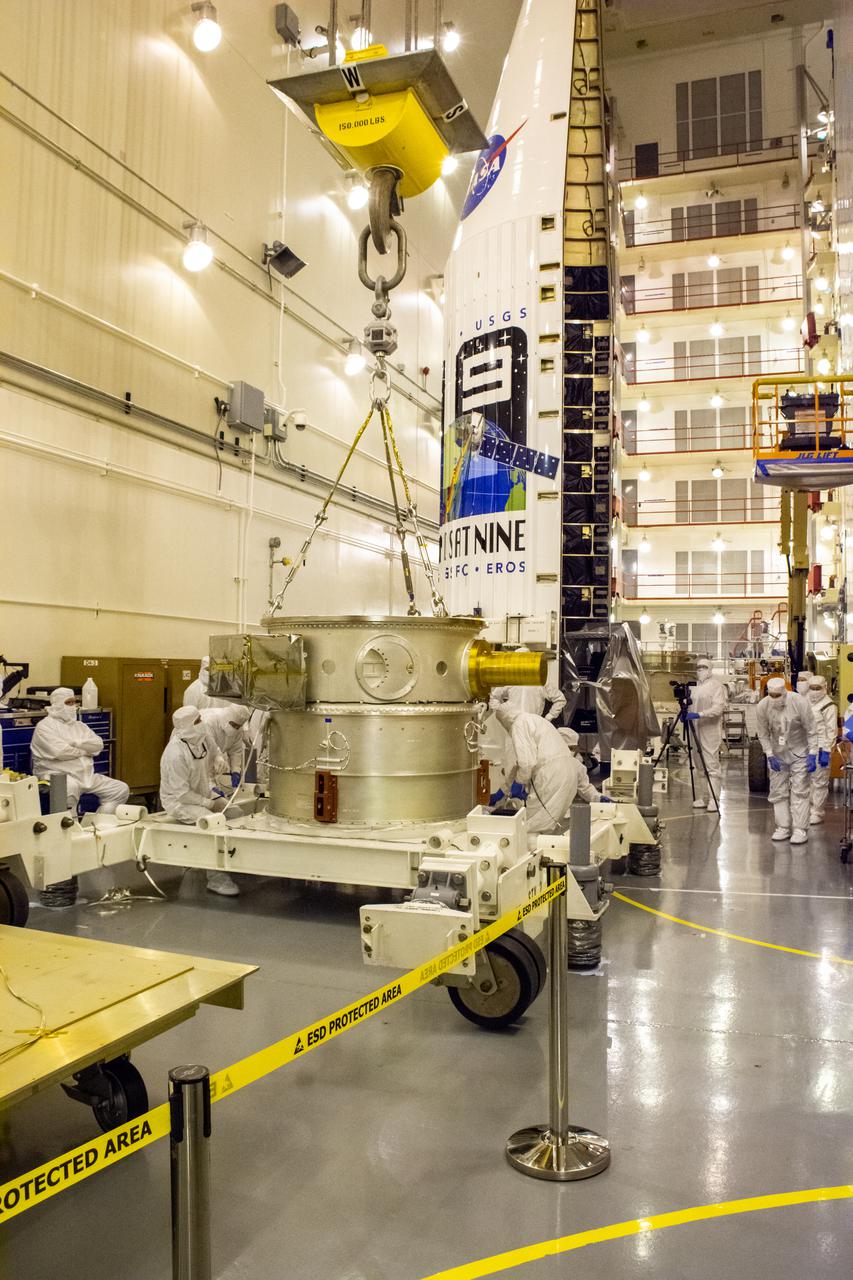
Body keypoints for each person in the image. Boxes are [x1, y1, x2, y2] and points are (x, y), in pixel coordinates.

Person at [159, 707, 239, 896]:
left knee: (235, 813)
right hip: (179, 802)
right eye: (197, 721)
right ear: (185, 726)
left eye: (200, 719)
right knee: (212, 823)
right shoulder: (175, 754)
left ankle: (232, 862)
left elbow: (215, 750)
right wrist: (208, 804)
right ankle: (216, 879)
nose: (201, 723)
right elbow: (181, 794)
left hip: (202, 792)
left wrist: (219, 759)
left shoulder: (202, 737)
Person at [31, 688, 130, 814]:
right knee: (69, 789)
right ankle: (70, 829)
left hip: (86, 776)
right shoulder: (45, 727)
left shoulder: (80, 726)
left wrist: (77, 743)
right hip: (58, 776)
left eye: (75, 702)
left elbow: (98, 745)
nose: (73, 706)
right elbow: (60, 752)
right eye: (68, 703)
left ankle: (98, 825)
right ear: (57, 704)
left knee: (120, 790)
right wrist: (86, 751)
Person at [756, 676, 819, 845]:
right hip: (777, 754)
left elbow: (812, 729)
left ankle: (800, 829)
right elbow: (762, 733)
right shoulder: (763, 706)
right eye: (772, 695)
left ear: (785, 692)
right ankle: (782, 827)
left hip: (800, 752)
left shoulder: (799, 702)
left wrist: (813, 753)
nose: (775, 698)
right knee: (778, 791)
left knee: (800, 790)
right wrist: (769, 754)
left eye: (778, 695)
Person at [495, 704, 575, 834]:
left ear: (504, 720)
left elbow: (526, 763)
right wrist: (504, 790)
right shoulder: (535, 720)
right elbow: (519, 765)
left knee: (533, 825)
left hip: (550, 775)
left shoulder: (519, 724)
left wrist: (518, 784)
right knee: (551, 821)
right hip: (567, 772)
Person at [684, 658, 727, 811]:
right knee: (699, 765)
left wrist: (699, 714)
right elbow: (690, 706)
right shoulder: (696, 687)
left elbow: (718, 709)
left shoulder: (716, 686)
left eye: (703, 667)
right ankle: (704, 798)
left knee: (711, 766)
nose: (700, 670)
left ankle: (714, 801)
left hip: (710, 730)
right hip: (695, 729)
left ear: (710, 669)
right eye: (698, 667)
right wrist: (686, 714)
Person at [489, 649, 567, 722]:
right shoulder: (510, 679)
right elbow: (494, 697)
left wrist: (549, 717)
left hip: (533, 725)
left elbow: (560, 699)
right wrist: (501, 712)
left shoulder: (541, 680)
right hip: (512, 724)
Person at [807, 675, 837, 826]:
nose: (814, 691)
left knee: (819, 781)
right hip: (806, 747)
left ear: (825, 687)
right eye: (811, 688)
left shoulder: (828, 705)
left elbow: (831, 730)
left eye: (817, 688)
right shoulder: (805, 702)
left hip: (821, 747)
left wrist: (826, 751)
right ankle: (806, 809)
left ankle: (817, 812)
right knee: (805, 780)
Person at [200, 704, 251, 787]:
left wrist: (235, 771)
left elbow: (236, 751)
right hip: (199, 765)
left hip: (209, 769)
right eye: (233, 725)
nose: (235, 728)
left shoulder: (237, 729)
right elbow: (206, 750)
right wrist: (210, 786)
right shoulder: (208, 722)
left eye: (238, 726)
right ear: (227, 718)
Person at [557, 727, 604, 803]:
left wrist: (599, 798)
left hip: (563, 807)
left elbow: (585, 789)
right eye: (570, 748)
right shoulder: (543, 762)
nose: (572, 752)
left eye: (574, 749)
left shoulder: (576, 765)